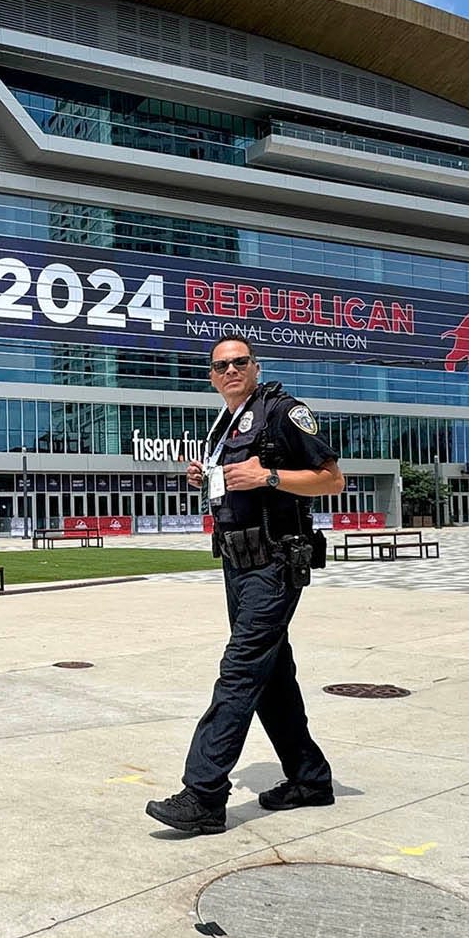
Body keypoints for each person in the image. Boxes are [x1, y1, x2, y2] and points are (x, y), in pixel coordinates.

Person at [148, 336, 345, 836]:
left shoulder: (283, 411)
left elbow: (332, 480)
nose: (231, 370)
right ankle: (310, 778)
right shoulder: (224, 421)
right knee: (271, 675)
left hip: (275, 562)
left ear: (255, 367)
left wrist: (270, 478)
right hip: (238, 561)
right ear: (212, 377)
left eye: (240, 362)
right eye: (221, 365)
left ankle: (204, 794)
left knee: (239, 671)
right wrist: (206, 476)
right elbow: (234, 479)